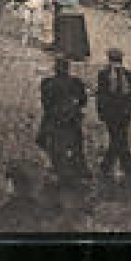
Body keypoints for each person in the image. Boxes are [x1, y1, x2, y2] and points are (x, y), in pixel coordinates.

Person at [95, 46, 131, 189]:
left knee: (117, 139)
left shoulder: (104, 75)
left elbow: (101, 96)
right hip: (120, 114)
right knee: (120, 139)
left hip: (116, 113)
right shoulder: (129, 75)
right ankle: (127, 169)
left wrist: (102, 112)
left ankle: (109, 166)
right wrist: (130, 107)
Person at [37, 55, 90, 186]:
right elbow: (83, 101)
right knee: (76, 144)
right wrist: (73, 107)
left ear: (55, 69)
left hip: (54, 120)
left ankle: (59, 169)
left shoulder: (47, 83)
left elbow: (45, 103)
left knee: (52, 144)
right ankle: (79, 170)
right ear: (68, 69)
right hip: (72, 119)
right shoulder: (76, 82)